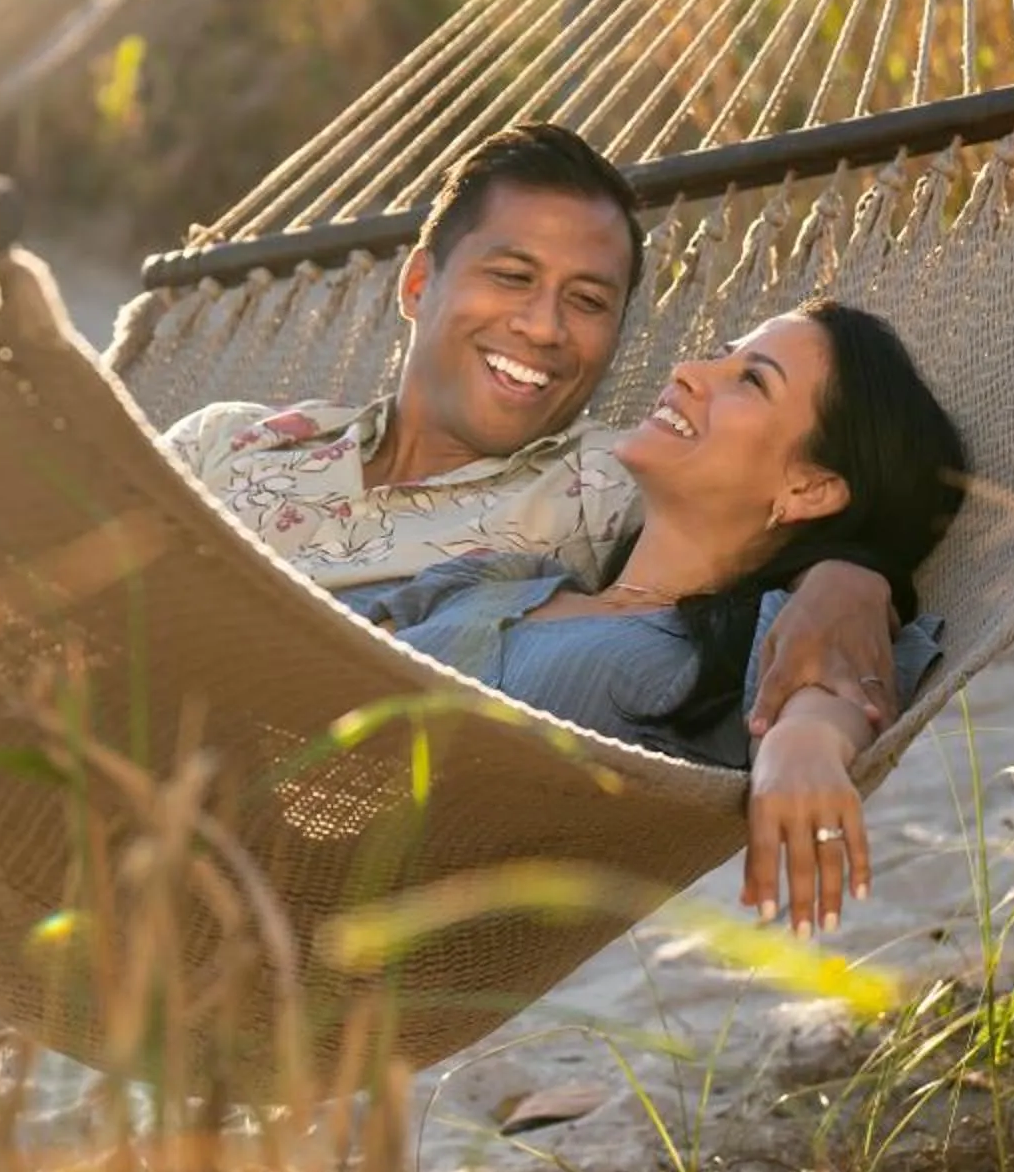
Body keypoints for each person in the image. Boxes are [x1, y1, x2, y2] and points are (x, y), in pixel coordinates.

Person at [162, 121, 911, 739]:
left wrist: (850, 585)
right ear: (419, 285)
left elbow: (771, 517)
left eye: (586, 301)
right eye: (512, 277)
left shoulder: (606, 485)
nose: (543, 326)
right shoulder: (226, 440)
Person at [349, 302, 968, 936]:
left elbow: (822, 688)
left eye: (751, 380)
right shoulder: (504, 577)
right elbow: (313, 661)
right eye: (719, 353)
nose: (690, 371)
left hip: (359, 891)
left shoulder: (745, 645)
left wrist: (805, 744)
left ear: (809, 489)